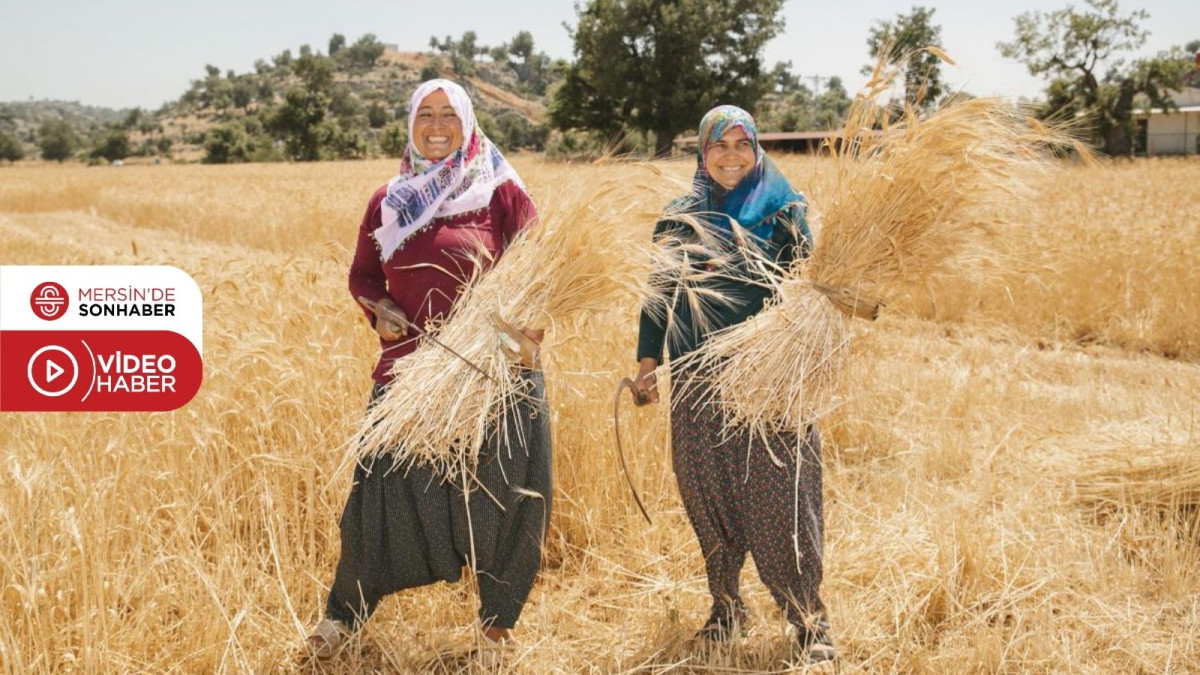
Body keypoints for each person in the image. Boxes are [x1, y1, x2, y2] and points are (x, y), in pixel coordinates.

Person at [310, 79, 550, 659]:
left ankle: (497, 630)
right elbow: (364, 276)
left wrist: (525, 331)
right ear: (411, 124)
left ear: (467, 124)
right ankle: (343, 616)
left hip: (494, 372)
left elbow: (544, 268)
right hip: (411, 374)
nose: (437, 125)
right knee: (378, 493)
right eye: (426, 114)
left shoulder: (500, 191)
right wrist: (380, 309)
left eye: (449, 114)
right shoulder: (388, 199)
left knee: (510, 495)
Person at [630, 105, 835, 664]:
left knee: (782, 497)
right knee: (709, 495)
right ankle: (726, 606)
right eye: (719, 145)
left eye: (742, 144)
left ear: (757, 149)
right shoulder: (679, 217)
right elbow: (658, 298)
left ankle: (808, 619)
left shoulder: (785, 212)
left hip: (767, 379)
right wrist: (648, 365)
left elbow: (811, 288)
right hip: (695, 377)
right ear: (702, 152)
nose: (730, 156)